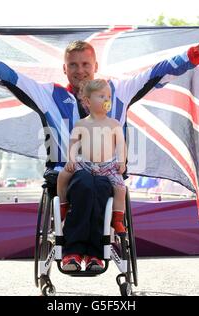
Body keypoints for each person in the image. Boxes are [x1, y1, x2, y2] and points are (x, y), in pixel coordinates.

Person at [0, 23, 199, 270]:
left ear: (95, 66)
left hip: (107, 171)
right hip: (65, 171)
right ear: (64, 69)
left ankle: (87, 251)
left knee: (97, 182)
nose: (80, 70)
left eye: (86, 64)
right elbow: (6, 75)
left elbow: (161, 70)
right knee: (87, 181)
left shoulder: (119, 92)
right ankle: (85, 252)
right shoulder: (48, 95)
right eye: (73, 65)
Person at [57, 79, 126, 271]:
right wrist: (71, 159)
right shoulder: (81, 123)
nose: (107, 100)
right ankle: (63, 205)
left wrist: (121, 161)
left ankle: (117, 219)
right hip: (85, 165)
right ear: (87, 102)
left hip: (107, 167)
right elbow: (73, 144)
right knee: (64, 175)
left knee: (120, 187)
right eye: (102, 96)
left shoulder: (113, 124)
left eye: (109, 97)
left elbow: (121, 145)